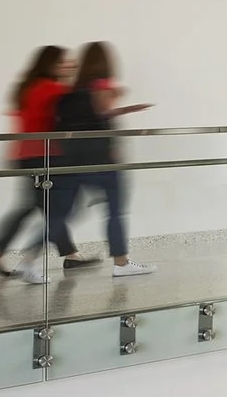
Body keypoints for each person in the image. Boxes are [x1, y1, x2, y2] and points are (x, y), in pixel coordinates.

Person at [43, 42, 153, 280]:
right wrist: (116, 95)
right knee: (115, 212)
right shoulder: (101, 83)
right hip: (103, 160)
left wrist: (125, 108)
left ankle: (33, 255)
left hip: (76, 160)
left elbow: (93, 116)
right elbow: (102, 112)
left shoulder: (75, 89)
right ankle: (121, 263)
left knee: (64, 212)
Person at [0, 45, 70, 276]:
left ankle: (70, 253)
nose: (67, 66)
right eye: (63, 62)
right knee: (49, 206)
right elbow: (74, 112)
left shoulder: (27, 87)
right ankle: (1, 255)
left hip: (25, 154)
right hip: (42, 155)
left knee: (43, 206)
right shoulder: (51, 88)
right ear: (50, 64)